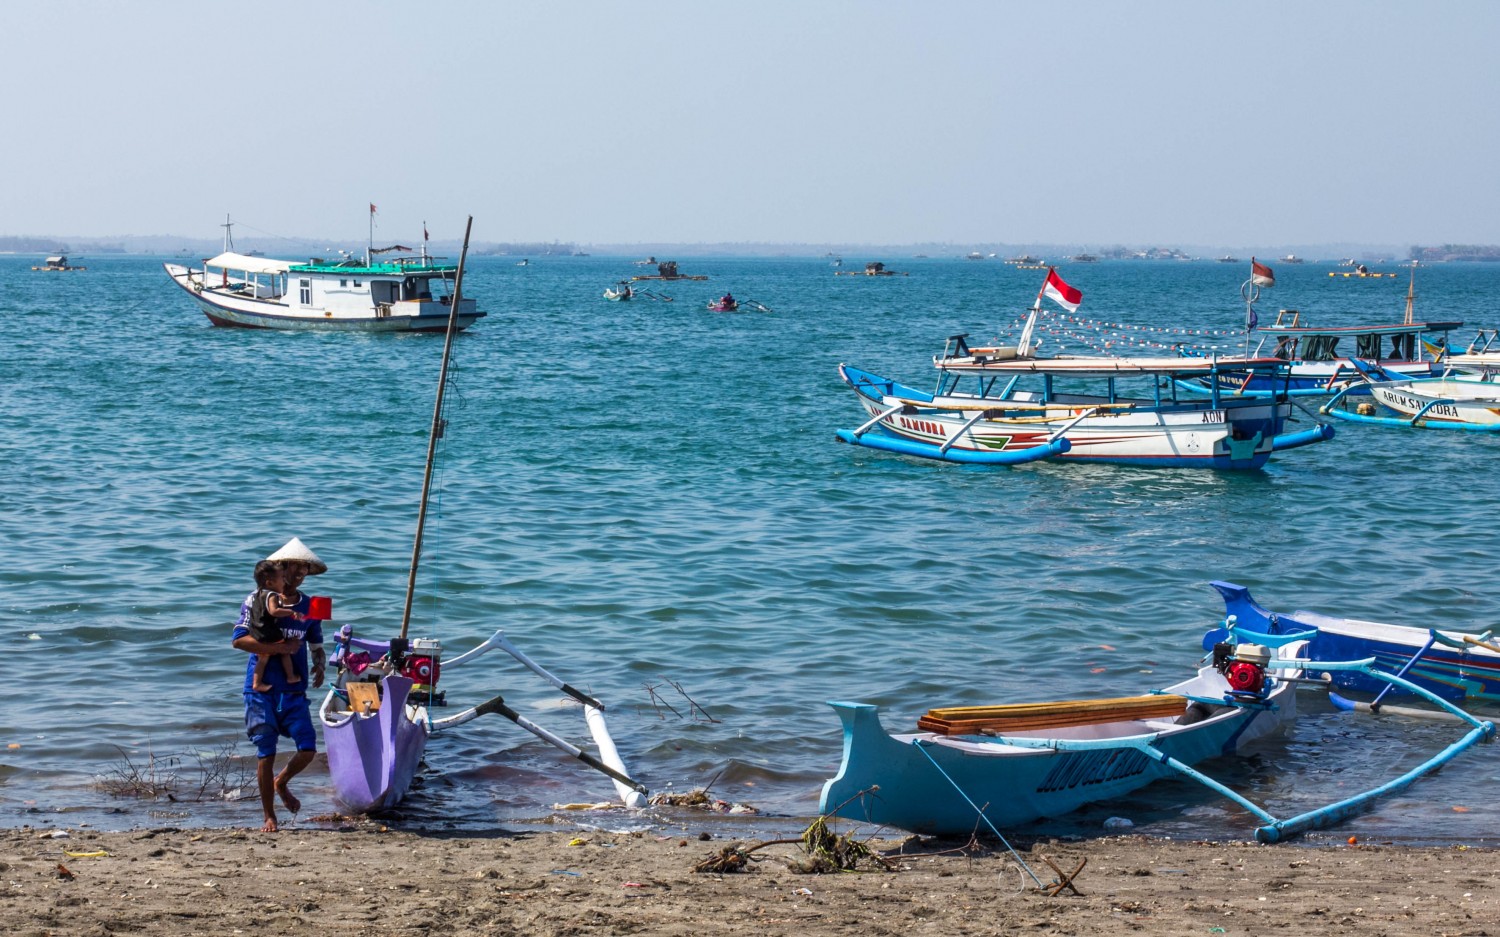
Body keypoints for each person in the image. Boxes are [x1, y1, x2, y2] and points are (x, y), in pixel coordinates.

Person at [232, 537, 328, 832]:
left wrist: (320, 663)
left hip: (294, 690)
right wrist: (281, 649)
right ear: (279, 570)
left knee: (308, 748)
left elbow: (316, 641)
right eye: (293, 571)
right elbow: (238, 640)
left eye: (303, 572)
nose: (298, 577)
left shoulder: (314, 605)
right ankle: (268, 816)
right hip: (260, 690)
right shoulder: (255, 599)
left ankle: (281, 782)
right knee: (266, 752)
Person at [246, 561, 302, 693]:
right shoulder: (272, 595)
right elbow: (273, 611)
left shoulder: (257, 594)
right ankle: (291, 677)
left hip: (257, 632)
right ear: (270, 583)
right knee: (285, 651)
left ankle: (257, 683)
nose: (285, 581)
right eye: (282, 578)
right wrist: (291, 612)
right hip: (270, 632)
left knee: (263, 659)